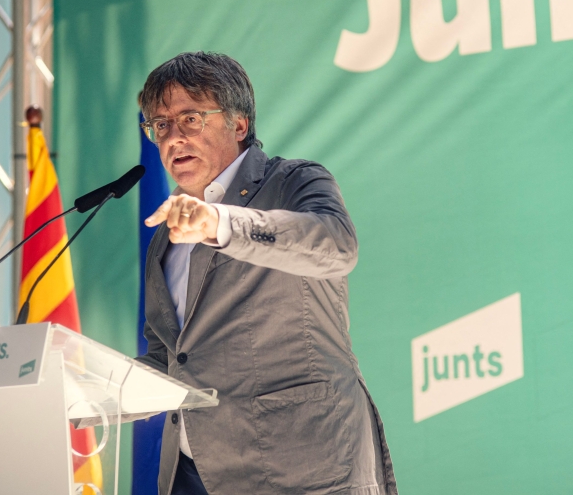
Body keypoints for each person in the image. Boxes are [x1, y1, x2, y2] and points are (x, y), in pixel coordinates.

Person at [137, 52, 397, 495]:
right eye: (160, 125)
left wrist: (219, 223)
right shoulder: (165, 236)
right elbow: (173, 355)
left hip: (302, 466)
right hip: (193, 472)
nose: (173, 138)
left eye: (190, 119)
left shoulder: (293, 182)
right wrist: (92, 386)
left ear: (238, 125)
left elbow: (334, 245)